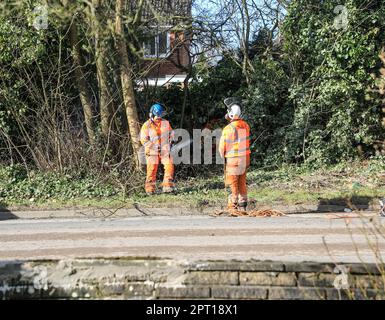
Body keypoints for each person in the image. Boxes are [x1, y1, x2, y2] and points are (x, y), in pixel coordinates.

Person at [218, 98, 251, 211]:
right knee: (242, 180)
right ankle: (243, 205)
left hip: (233, 159)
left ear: (231, 114)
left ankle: (233, 206)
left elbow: (222, 146)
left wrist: (222, 156)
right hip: (245, 158)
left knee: (233, 182)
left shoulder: (228, 128)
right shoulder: (246, 125)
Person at [140, 103, 175, 195]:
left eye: (160, 116)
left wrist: (171, 143)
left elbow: (171, 134)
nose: (159, 118)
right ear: (152, 115)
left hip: (164, 150)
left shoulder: (166, 123)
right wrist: (154, 147)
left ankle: (167, 186)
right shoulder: (146, 125)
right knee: (151, 169)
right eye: (157, 116)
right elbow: (144, 140)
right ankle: (150, 189)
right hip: (152, 152)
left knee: (169, 165)